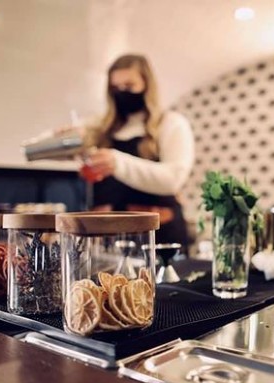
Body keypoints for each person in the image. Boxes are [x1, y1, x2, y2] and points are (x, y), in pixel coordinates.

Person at [79, 54, 194, 248]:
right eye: (116, 88)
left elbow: (173, 178)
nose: (122, 92)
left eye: (129, 85)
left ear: (147, 84)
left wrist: (117, 163)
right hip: (108, 235)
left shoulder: (171, 123)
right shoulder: (99, 127)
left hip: (159, 235)